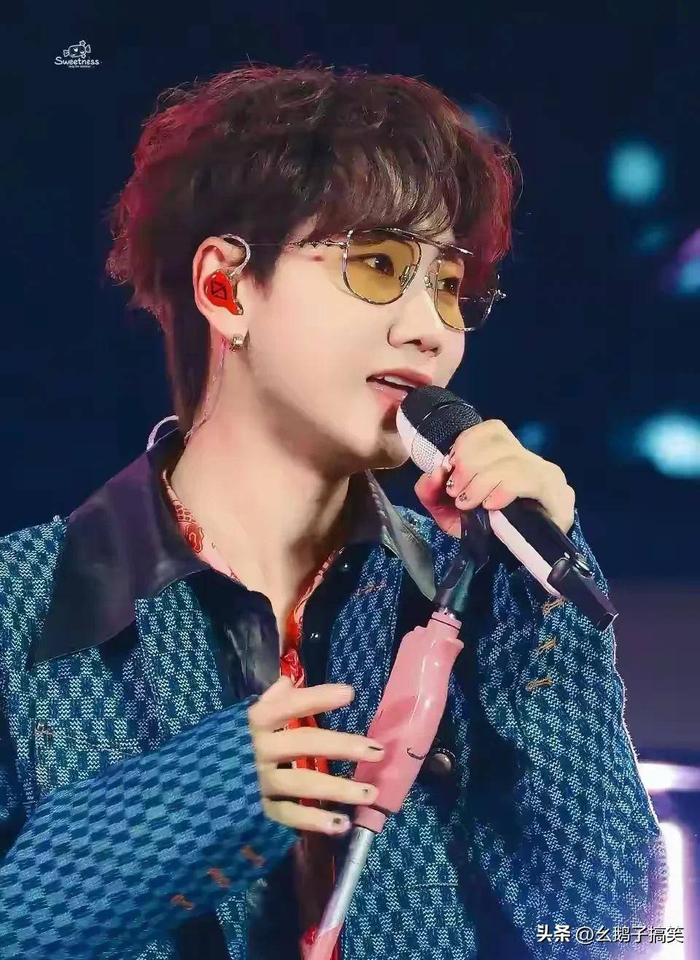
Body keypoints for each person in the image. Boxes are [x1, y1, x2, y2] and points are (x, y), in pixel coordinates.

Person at [0, 63, 666, 960]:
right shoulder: (22, 605)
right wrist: (195, 799)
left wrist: (545, 613)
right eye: (379, 265)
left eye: (450, 285)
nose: (432, 329)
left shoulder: (483, 593)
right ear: (227, 289)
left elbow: (612, 927)